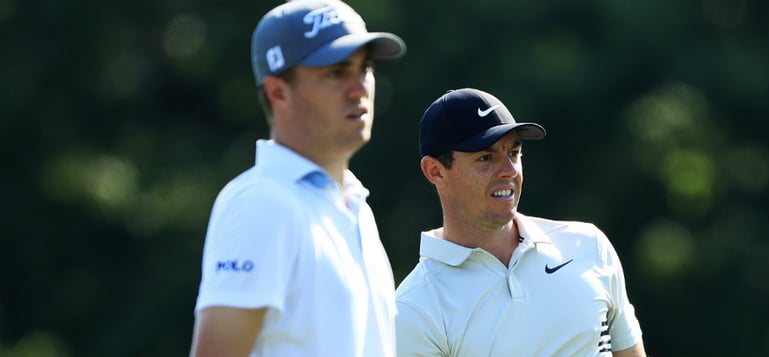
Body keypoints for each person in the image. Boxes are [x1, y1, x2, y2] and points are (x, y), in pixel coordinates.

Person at [189, 1, 406, 356]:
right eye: (336, 72)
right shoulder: (261, 202)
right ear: (278, 92)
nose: (359, 88)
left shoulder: (356, 206)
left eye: (364, 68)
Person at [395, 88, 646, 357]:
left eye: (513, 153)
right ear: (435, 171)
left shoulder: (588, 245)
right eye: (486, 157)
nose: (510, 171)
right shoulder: (414, 309)